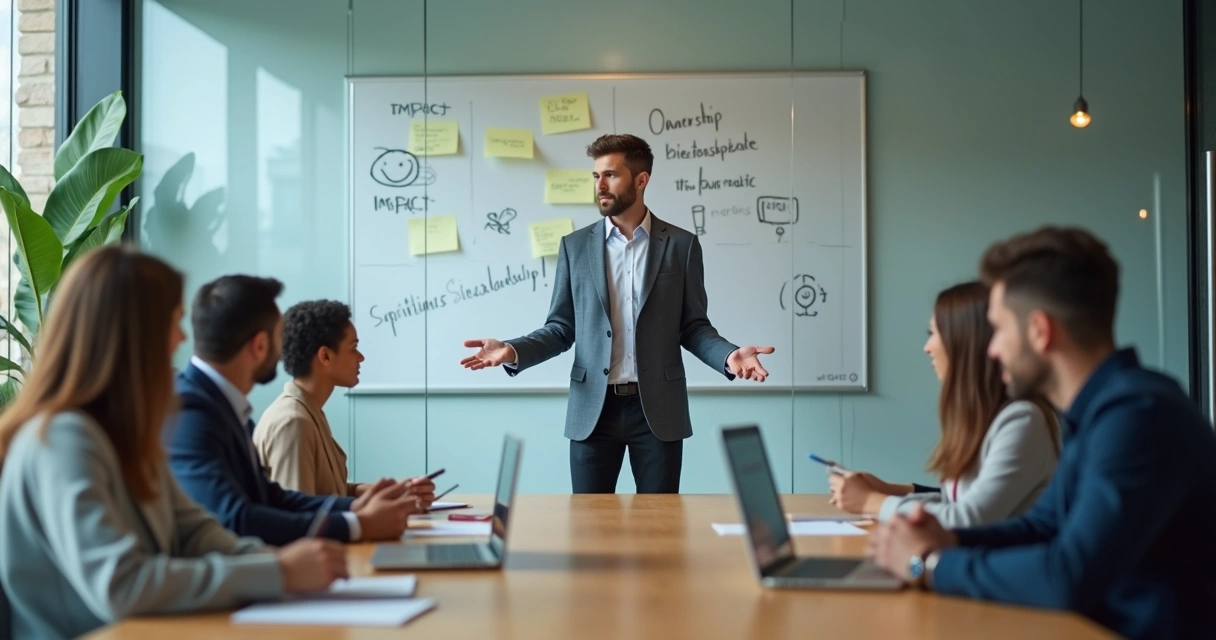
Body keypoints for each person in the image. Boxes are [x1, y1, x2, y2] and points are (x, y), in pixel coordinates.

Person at [867, 227, 1216, 640]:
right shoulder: (1101, 411)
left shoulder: (1140, 416)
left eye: (998, 330)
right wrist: (946, 537)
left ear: (1039, 330)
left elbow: (1068, 576)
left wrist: (927, 565)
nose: (991, 349)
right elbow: (1042, 526)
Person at [0, 247, 346, 640]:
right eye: (175, 322)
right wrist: (279, 572)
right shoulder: (63, 440)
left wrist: (282, 563)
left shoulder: (124, 433)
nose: (182, 337)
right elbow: (123, 585)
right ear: (135, 336)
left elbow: (195, 533)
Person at [460, 133, 774, 494]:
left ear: (641, 180)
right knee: (589, 529)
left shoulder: (682, 246)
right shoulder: (574, 247)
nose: (600, 185)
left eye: (611, 175)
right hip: (593, 410)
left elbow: (692, 326)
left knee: (661, 527)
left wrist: (729, 355)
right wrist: (512, 350)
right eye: (596, 176)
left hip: (657, 410)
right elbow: (562, 328)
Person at [167, 275, 432, 546]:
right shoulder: (190, 412)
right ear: (260, 345)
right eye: (278, 336)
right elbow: (234, 518)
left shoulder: (223, 404)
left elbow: (272, 497)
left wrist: (356, 507)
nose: (284, 348)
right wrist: (358, 524)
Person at [828, 280, 1060, 527]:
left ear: (965, 343)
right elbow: (955, 502)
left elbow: (966, 519)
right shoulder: (990, 418)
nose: (927, 348)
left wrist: (871, 501)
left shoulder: (1023, 421)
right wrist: (887, 491)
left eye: (934, 333)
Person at [254, 299, 433, 500]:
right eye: (353, 348)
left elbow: (323, 492)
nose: (361, 357)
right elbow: (299, 517)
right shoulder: (294, 422)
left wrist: (386, 493)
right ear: (325, 356)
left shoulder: (308, 411)